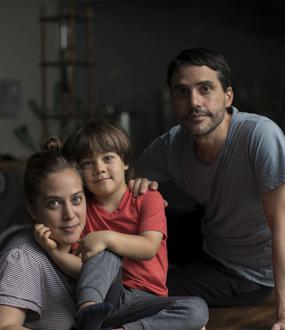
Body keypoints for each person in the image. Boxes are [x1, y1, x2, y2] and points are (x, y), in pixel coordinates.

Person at [131, 47, 285, 330]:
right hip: (208, 233)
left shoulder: (260, 136)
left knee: (146, 288)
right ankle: (68, 275)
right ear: (173, 100)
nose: (194, 102)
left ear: (228, 96)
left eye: (205, 88)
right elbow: (124, 187)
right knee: (135, 211)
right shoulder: (172, 144)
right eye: (182, 92)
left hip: (245, 271)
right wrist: (139, 189)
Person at [59, 120, 209, 330]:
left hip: (146, 301)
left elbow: (149, 247)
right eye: (87, 163)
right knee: (105, 251)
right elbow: (80, 265)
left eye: (108, 158)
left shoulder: (148, 198)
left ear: (125, 162)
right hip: (104, 297)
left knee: (197, 309)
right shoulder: (83, 208)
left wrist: (107, 237)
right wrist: (54, 252)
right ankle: (87, 313)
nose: (99, 168)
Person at [0, 138, 85, 329]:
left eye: (76, 199)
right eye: (54, 203)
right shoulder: (22, 258)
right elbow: (2, 328)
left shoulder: (88, 242)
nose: (70, 215)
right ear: (32, 209)